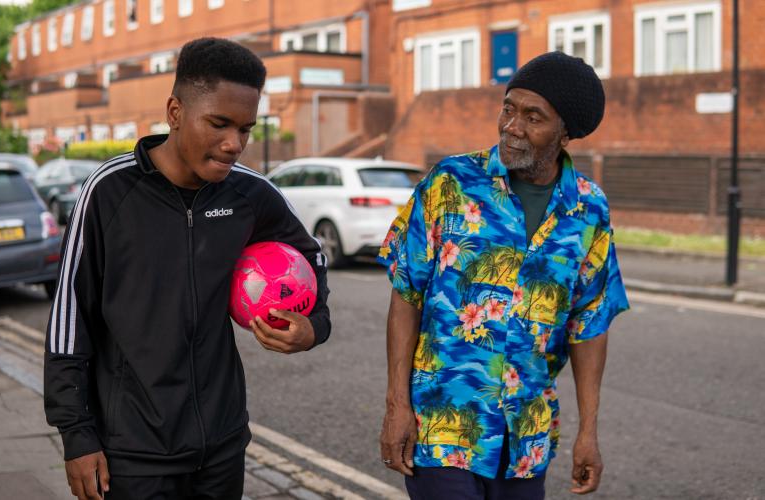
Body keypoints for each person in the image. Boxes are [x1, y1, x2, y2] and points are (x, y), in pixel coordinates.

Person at [44, 37, 331, 500]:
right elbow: (68, 320)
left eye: (246, 129)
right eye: (219, 124)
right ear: (175, 111)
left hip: (222, 446)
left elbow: (312, 254)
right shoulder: (108, 192)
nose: (234, 143)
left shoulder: (250, 194)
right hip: (132, 455)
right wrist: (76, 435)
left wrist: (314, 325)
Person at [378, 51, 629, 499]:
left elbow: (589, 325)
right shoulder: (451, 182)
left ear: (566, 132)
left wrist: (588, 431)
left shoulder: (589, 209)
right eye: (509, 108)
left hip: (526, 440)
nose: (512, 126)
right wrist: (397, 404)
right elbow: (406, 295)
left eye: (534, 117)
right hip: (443, 427)